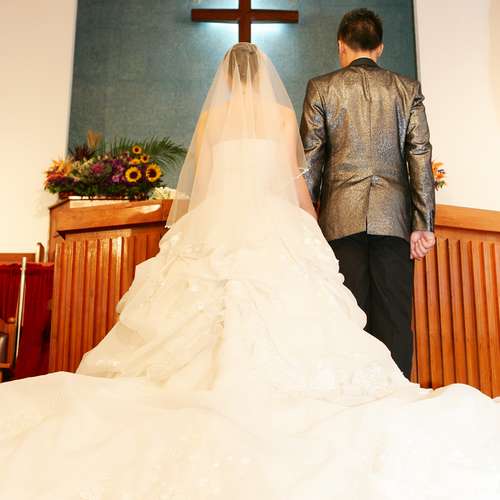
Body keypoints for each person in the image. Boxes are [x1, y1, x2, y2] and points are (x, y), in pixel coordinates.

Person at [0, 43, 499, 500]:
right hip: (273, 220)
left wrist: (199, 224)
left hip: (219, 218)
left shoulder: (211, 117)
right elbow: (295, 181)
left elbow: (204, 180)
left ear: (225, 76)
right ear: (263, 75)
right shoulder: (280, 115)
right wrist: (310, 226)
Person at [300, 8, 435, 378]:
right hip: (393, 222)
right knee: (395, 319)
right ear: (380, 48)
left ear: (341, 46)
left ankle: (354, 399)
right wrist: (423, 223)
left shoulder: (322, 88)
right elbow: (419, 155)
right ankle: (396, 397)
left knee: (348, 319)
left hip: (339, 223)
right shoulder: (407, 89)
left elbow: (310, 160)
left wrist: (305, 222)